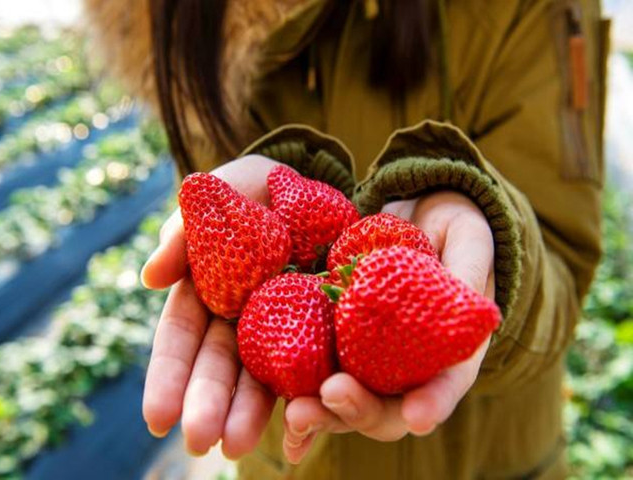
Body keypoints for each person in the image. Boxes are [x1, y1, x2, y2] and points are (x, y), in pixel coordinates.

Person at [85, 0, 609, 478]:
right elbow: (218, 203)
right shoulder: (178, 16)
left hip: (492, 458)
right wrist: (282, 189)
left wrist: (496, 248)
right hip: (294, 457)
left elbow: (563, 251)